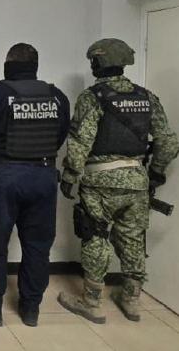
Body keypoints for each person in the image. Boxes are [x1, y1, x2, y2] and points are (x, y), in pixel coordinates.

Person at [57, 38, 178, 324]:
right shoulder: (146, 97)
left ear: (99, 63)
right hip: (137, 180)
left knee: (95, 236)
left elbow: (80, 142)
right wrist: (156, 173)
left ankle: (91, 302)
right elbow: (168, 142)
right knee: (133, 238)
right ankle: (132, 300)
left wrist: (70, 176)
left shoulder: (93, 97)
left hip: (99, 181)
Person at [0, 43, 70, 328]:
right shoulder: (57, 97)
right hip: (44, 176)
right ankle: (31, 308)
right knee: (38, 246)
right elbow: (60, 136)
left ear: (8, 66)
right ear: (34, 67)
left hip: (3, 177)